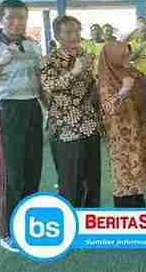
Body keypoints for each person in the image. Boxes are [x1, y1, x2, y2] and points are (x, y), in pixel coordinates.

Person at [0, 0, 43, 252]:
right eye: (11, 18)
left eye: (21, 18)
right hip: (5, 110)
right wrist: (0, 64)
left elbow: (40, 82)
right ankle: (6, 232)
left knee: (32, 170)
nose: (17, 22)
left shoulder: (33, 46)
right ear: (0, 20)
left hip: (32, 109)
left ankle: (26, 224)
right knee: (9, 174)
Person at [41, 15, 102, 208]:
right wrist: (74, 71)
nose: (74, 36)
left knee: (92, 183)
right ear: (58, 35)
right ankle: (71, 228)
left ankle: (90, 225)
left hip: (90, 126)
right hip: (65, 130)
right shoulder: (48, 60)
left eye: (77, 31)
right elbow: (50, 86)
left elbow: (96, 89)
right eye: (68, 32)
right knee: (70, 184)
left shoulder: (89, 57)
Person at [97, 41, 146, 207]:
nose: (128, 57)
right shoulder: (105, 79)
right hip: (121, 138)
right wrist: (123, 91)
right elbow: (108, 108)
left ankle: (139, 216)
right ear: (113, 57)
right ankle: (126, 223)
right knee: (125, 178)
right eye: (123, 54)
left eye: (128, 54)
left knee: (138, 177)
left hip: (139, 131)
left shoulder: (133, 72)